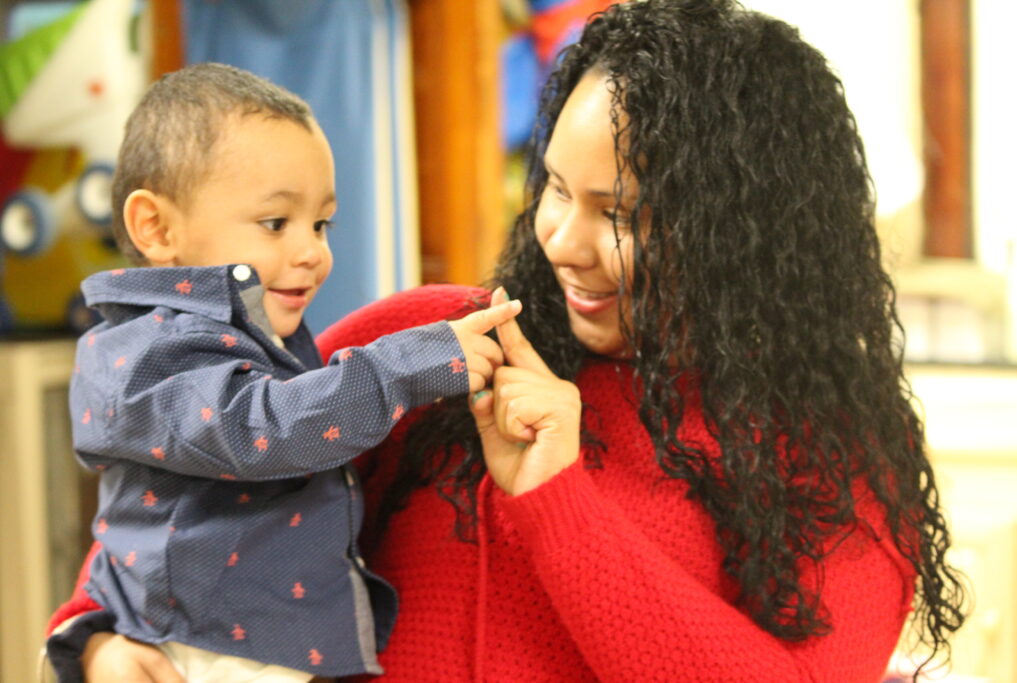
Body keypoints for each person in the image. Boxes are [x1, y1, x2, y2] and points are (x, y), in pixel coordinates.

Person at [48, 1, 967, 681]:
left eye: (623, 213)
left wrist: (558, 501)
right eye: (557, 189)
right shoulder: (426, 346)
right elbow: (172, 507)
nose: (560, 238)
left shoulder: (835, 456)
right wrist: (94, 645)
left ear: (748, 231)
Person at [43, 62, 523, 682]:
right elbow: (260, 428)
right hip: (201, 653)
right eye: (276, 223)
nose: (312, 251)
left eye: (321, 223)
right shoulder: (144, 353)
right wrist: (409, 365)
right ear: (156, 228)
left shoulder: (248, 339)